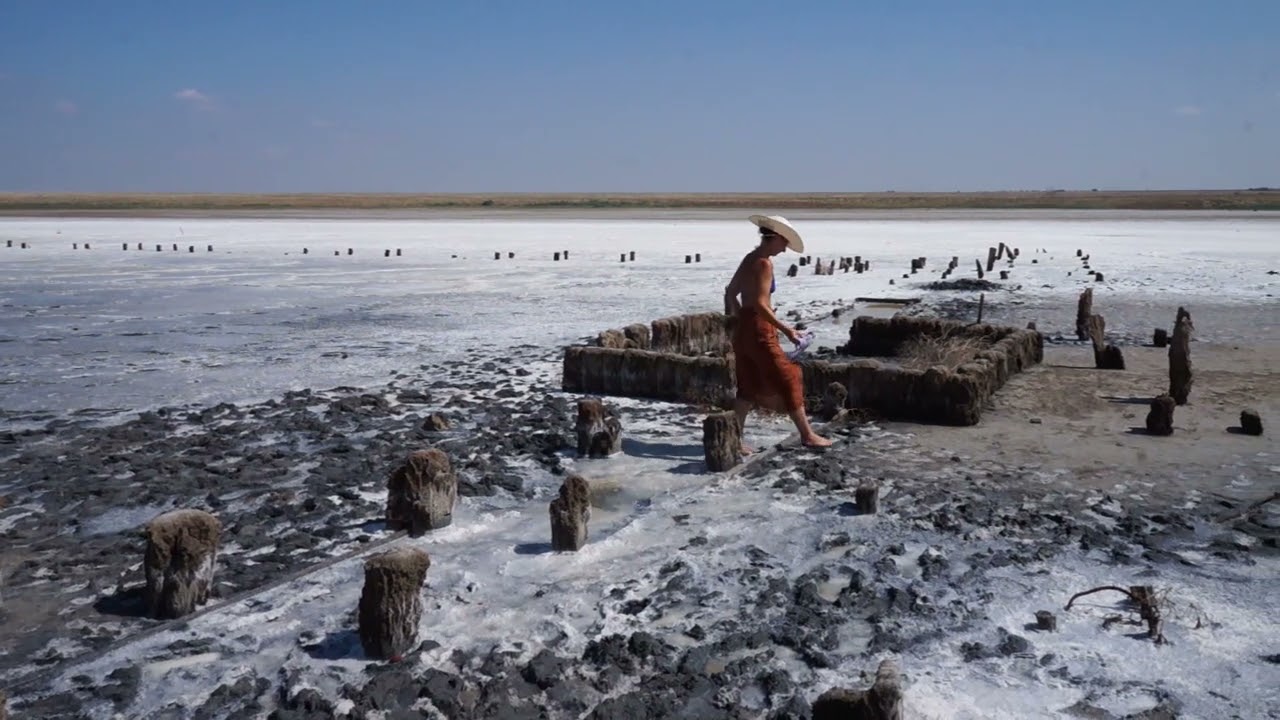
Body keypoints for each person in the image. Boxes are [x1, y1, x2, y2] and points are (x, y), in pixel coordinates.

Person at [723, 214, 832, 452]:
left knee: (747, 385)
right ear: (778, 238)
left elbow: (731, 293)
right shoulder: (764, 263)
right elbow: (762, 304)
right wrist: (788, 330)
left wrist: (742, 319)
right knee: (789, 377)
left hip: (743, 331)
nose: (784, 250)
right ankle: (808, 435)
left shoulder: (749, 258)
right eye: (784, 244)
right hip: (760, 330)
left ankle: (735, 439)